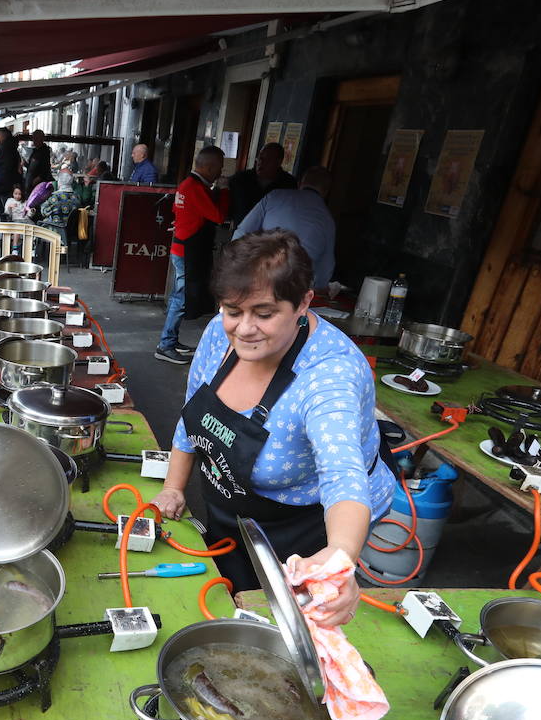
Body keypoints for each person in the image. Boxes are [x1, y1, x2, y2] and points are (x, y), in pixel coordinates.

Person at [150, 231, 394, 617]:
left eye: (264, 314)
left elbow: (342, 474)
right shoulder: (219, 332)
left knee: (285, 619)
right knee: (224, 596)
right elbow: (192, 412)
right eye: (233, 311)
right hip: (232, 505)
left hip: (303, 523)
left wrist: (339, 556)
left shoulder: (329, 375)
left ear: (303, 303)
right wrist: (174, 487)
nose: (244, 329)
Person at [155, 145, 228, 365]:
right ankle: (165, 345)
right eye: (219, 168)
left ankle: (172, 341)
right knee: (180, 298)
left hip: (184, 247)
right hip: (187, 251)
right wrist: (224, 191)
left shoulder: (189, 185)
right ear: (208, 166)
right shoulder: (195, 188)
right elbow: (217, 215)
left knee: (181, 296)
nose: (220, 173)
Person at [233, 166, 337, 289]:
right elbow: (326, 266)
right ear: (326, 192)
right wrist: (318, 288)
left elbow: (243, 231)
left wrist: (234, 266)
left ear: (299, 183)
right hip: (296, 282)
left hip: (262, 270)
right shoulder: (327, 219)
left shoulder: (275, 196)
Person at [228, 142, 296, 228]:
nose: (261, 162)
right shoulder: (240, 179)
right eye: (260, 158)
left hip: (272, 236)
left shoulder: (288, 184)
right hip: (242, 235)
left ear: (278, 162)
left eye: (267, 159)